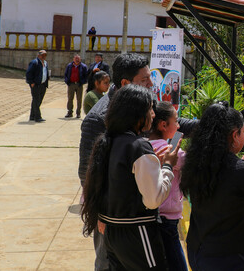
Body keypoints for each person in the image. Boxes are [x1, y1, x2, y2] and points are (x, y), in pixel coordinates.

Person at [79, 53, 199, 271]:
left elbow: (174, 122)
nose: (152, 84)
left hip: (116, 223)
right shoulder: (101, 123)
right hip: (128, 224)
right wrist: (166, 167)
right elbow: (88, 173)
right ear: (126, 84)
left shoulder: (118, 131)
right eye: (145, 80)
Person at [80, 85, 179, 270]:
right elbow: (153, 199)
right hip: (137, 232)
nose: (153, 114)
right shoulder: (139, 147)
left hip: (112, 233)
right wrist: (167, 166)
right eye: (150, 109)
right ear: (137, 114)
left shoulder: (107, 141)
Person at [181, 102, 244, 271]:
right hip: (227, 257)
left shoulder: (197, 163)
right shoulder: (243, 172)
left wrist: (242, 162)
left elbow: (225, 180)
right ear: (234, 135)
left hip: (197, 250)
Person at [148, 101, 188, 271]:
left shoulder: (144, 145)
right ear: (164, 125)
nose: (178, 125)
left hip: (150, 216)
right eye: (176, 121)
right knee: (178, 265)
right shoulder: (171, 151)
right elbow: (191, 163)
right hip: (168, 219)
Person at [26, 50, 49, 122]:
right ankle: (37, 117)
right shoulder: (34, 62)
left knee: (38, 100)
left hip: (43, 84)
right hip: (36, 84)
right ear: (39, 55)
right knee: (36, 100)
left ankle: (32, 116)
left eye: (45, 55)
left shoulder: (45, 63)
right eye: (42, 55)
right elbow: (29, 73)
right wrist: (31, 82)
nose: (44, 56)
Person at [64, 54, 89, 118]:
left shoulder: (83, 66)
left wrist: (82, 82)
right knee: (70, 98)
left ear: (80, 59)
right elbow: (66, 74)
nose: (77, 60)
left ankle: (78, 113)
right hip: (71, 84)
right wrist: (67, 81)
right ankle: (69, 112)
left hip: (79, 85)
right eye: (76, 58)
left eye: (78, 58)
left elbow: (86, 75)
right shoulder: (69, 66)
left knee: (79, 99)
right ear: (73, 59)